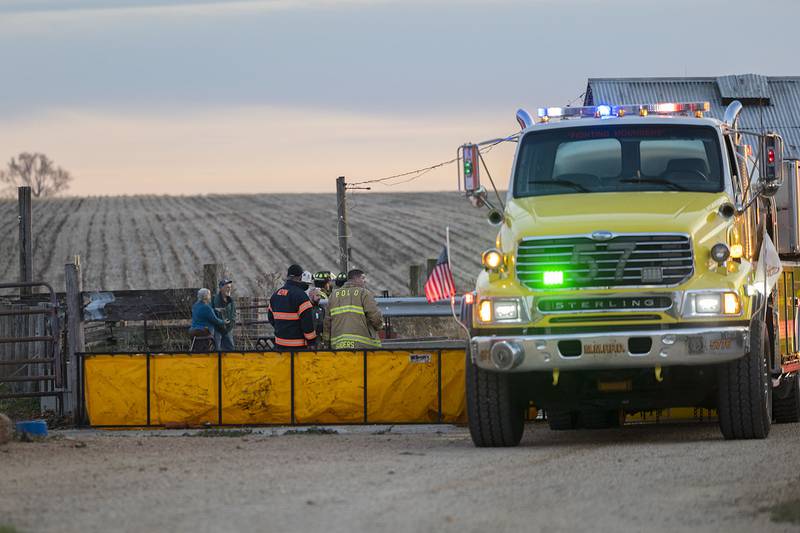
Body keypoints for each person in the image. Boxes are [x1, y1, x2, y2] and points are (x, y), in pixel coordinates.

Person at [324, 269, 383, 350]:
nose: (364, 281)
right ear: (355, 279)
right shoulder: (364, 293)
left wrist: (327, 343)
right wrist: (379, 326)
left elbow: (327, 322)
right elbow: (375, 316)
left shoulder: (333, 296)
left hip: (338, 345)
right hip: (362, 345)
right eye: (363, 278)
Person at [268, 264, 317, 349]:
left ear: (287, 277)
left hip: (279, 346)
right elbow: (307, 325)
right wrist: (312, 342)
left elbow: (271, 318)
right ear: (300, 277)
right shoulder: (302, 297)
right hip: (297, 348)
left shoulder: (275, 295)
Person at [212, 278, 236, 351]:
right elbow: (210, 312)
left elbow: (233, 314)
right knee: (217, 352)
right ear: (221, 288)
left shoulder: (231, 301)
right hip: (217, 330)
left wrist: (231, 324)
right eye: (227, 287)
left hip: (228, 330)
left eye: (230, 287)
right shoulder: (214, 299)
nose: (229, 289)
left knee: (231, 351)